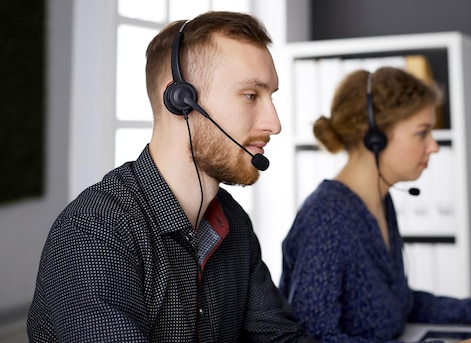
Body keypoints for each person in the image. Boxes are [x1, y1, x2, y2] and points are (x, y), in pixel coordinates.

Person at [27, 11, 316, 342]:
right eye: (251, 95)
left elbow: (281, 338)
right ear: (181, 101)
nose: (274, 124)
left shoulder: (233, 223)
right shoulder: (95, 230)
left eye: (271, 97)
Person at [279, 67, 471, 343]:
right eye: (422, 133)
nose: (434, 146)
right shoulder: (325, 219)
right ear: (375, 137)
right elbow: (314, 338)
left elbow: (397, 304)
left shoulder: (380, 202)